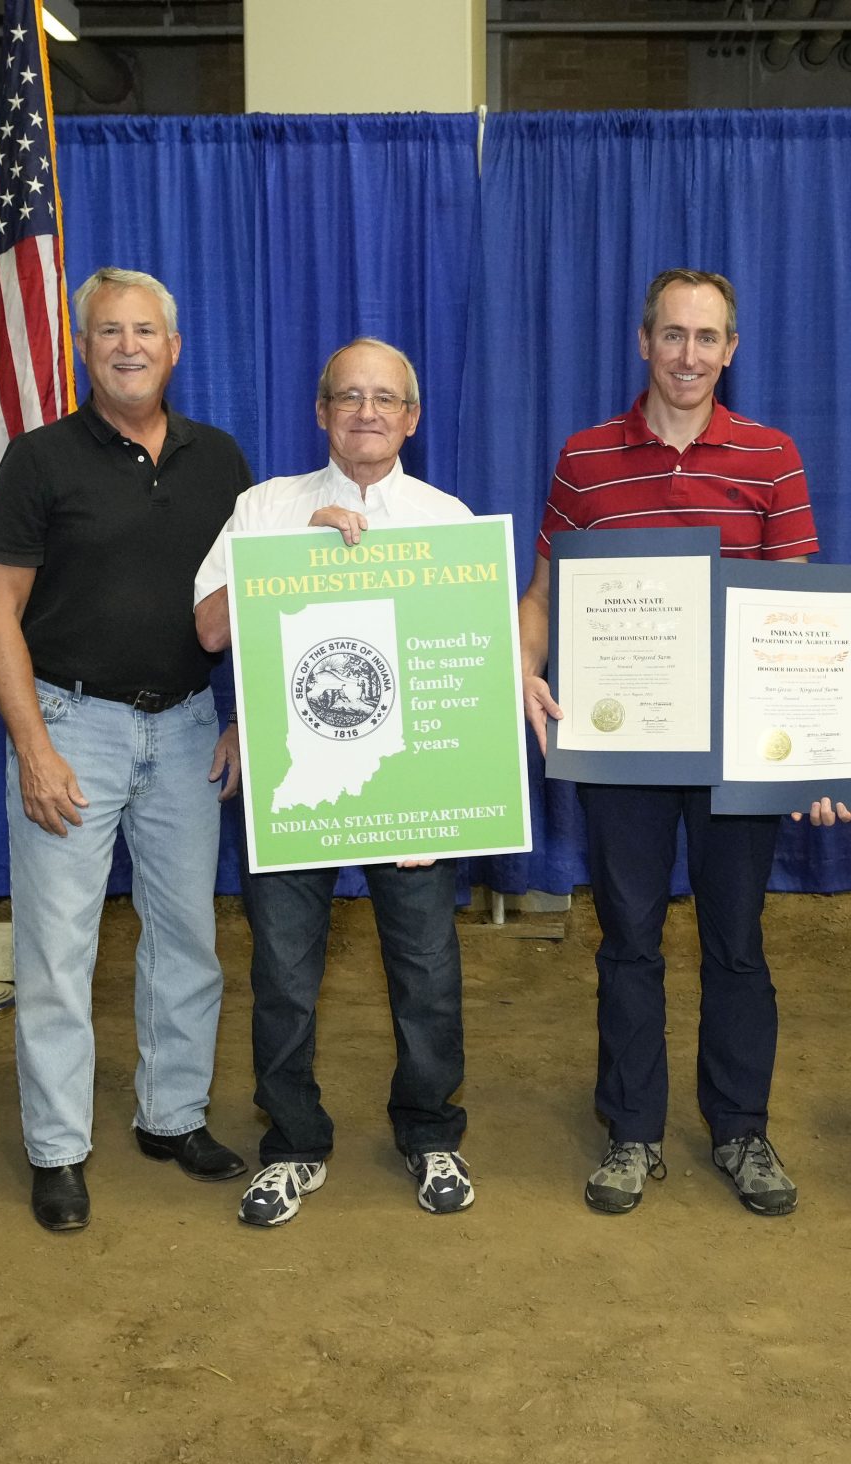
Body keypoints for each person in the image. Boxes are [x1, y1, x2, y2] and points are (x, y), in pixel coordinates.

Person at [517, 269, 847, 1219]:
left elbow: (800, 612)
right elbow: (544, 595)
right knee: (628, 939)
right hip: (621, 748)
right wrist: (522, 667)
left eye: (707, 339)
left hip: (737, 750)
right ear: (643, 341)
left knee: (736, 942)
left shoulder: (771, 456)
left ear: (731, 350)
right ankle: (631, 1131)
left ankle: (741, 1127)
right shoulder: (585, 459)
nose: (689, 355)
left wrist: (813, 753)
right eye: (673, 335)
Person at [0, 267, 252, 1234]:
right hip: (71, 723)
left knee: (189, 940)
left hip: (183, 727)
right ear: (83, 350)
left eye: (146, 332)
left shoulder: (221, 460)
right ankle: (58, 1149)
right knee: (58, 953)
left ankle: (172, 1118)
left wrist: (241, 719)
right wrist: (34, 746)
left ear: (175, 349)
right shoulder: (41, 459)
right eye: (108, 333)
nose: (128, 346)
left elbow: (250, 604)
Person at [194, 338, 475, 1227]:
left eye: (386, 399)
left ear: (412, 418)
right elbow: (207, 631)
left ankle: (430, 1129)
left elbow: (460, 667)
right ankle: (293, 1143)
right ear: (320, 412)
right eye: (348, 396)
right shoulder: (265, 507)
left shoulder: (447, 518)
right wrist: (282, 559)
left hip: (410, 787)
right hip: (293, 779)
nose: (366, 412)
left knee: (427, 967)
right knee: (281, 970)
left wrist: (451, 782)